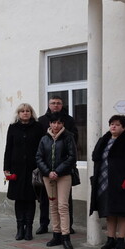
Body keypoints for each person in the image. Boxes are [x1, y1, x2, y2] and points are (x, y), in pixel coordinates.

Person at [89, 115, 125, 249]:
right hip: (104, 182)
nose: (113, 126)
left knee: (122, 213)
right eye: (112, 124)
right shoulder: (104, 140)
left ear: (123, 127)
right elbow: (96, 159)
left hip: (122, 182)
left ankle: (121, 240)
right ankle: (110, 239)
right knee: (109, 213)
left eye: (117, 125)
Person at [36, 95, 78, 235]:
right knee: (46, 200)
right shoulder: (41, 121)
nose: (55, 105)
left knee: (64, 202)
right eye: (53, 103)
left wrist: (61, 168)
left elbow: (74, 145)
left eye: (58, 103)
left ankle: (67, 228)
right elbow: (39, 148)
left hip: (64, 169)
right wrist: (46, 170)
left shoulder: (69, 121)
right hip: (47, 170)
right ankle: (44, 224)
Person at [3, 103, 44, 240]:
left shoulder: (38, 127)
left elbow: (42, 148)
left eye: (28, 111)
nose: (25, 113)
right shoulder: (13, 127)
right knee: (19, 199)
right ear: (18, 114)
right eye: (22, 111)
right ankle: (20, 228)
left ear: (31, 113)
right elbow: (8, 147)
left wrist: (42, 166)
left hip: (33, 169)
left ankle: (29, 228)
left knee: (30, 199)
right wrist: (6, 167)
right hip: (17, 169)